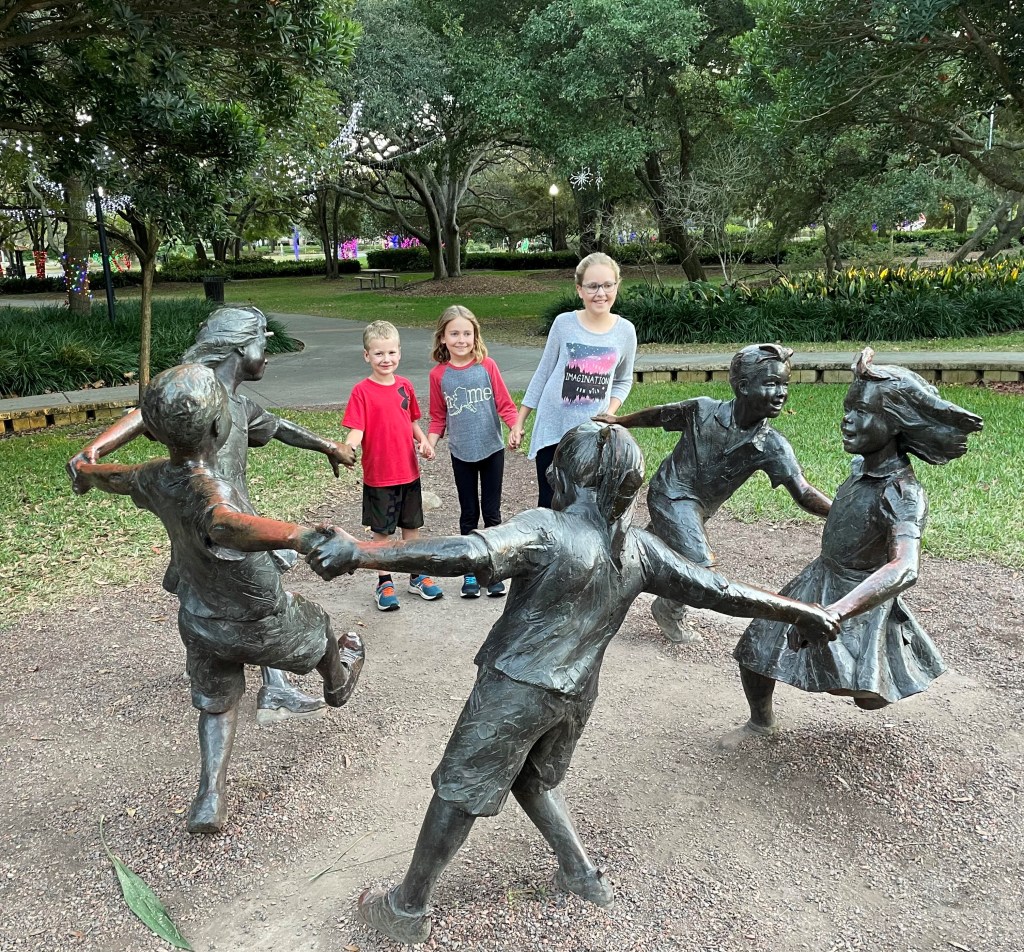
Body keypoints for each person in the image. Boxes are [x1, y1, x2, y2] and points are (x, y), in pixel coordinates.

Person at [307, 422, 838, 945]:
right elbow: (717, 589)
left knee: (458, 791)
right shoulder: (641, 549)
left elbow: (468, 553)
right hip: (576, 695)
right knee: (533, 780)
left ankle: (406, 906)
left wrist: (363, 553)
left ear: (564, 478)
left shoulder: (546, 527)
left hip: (516, 687)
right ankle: (581, 874)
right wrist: (798, 610)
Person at [71, 364, 365, 833]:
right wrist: (301, 536)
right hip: (259, 619)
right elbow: (226, 523)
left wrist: (87, 469)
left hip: (200, 620)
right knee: (320, 626)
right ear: (217, 427)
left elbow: (117, 476)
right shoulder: (212, 491)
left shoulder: (153, 477)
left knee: (216, 702)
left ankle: (210, 795)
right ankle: (337, 683)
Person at [67, 305, 356, 723]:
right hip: (213, 522)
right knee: (255, 601)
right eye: (261, 344)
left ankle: (271, 686)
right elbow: (147, 413)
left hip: (231, 518)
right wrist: (95, 449)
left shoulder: (237, 404)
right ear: (239, 349)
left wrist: (329, 446)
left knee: (253, 595)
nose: (267, 355)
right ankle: (280, 678)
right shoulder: (201, 398)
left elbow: (278, 426)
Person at [722, 349, 984, 748]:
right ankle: (761, 723)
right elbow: (840, 509)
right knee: (757, 646)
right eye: (848, 408)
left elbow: (905, 566)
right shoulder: (861, 468)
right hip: (820, 576)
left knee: (865, 690)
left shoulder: (902, 494)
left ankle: (877, 674)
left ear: (895, 423)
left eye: (861, 412)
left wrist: (835, 612)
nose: (847, 419)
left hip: (858, 594)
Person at [595, 344, 832, 643]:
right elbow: (660, 415)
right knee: (700, 566)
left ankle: (602, 577)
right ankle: (668, 608)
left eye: (785, 384)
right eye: (771, 384)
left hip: (700, 508)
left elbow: (803, 491)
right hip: (671, 492)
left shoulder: (772, 445)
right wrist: (620, 420)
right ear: (743, 386)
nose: (781, 393)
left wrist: (839, 511)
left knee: (645, 550)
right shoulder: (703, 410)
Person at [508, 252, 636, 507]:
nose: (600, 293)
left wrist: (609, 413)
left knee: (586, 505)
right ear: (579, 290)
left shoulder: (625, 331)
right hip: (553, 427)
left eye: (607, 285)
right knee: (550, 503)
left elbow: (623, 380)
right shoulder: (564, 324)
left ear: (617, 286)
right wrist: (519, 422)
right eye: (592, 286)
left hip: (591, 433)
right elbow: (544, 372)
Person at [342, 320, 441, 611]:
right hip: (379, 477)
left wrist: (424, 442)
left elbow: (411, 422)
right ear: (367, 356)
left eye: (391, 352)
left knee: (411, 527)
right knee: (382, 533)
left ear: (400, 352)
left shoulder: (405, 386)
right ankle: (384, 581)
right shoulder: (361, 391)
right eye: (379, 353)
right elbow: (357, 429)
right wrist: (349, 447)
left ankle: (416, 575)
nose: (386, 359)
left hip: (408, 472)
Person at [427, 305, 518, 598]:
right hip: (461, 453)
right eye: (454, 334)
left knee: (492, 514)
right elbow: (438, 417)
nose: (461, 339)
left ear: (475, 335)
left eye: (467, 333)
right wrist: (430, 442)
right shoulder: (438, 375)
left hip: (492, 449)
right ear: (443, 337)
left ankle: (493, 569)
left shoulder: (487, 366)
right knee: (468, 514)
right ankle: (470, 570)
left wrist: (515, 427)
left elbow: (505, 404)